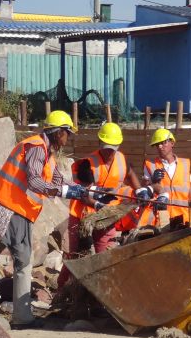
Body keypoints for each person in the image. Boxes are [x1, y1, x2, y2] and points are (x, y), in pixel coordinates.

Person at [0, 110, 83, 328]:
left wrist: (83, 191)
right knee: (24, 262)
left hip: (0, 206)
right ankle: (22, 317)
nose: (67, 140)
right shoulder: (37, 148)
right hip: (14, 210)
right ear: (58, 133)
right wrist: (64, 192)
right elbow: (36, 182)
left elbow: (58, 180)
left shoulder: (46, 153)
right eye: (67, 134)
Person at [58, 121, 146, 291]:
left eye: (112, 148)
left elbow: (131, 175)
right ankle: (62, 289)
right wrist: (97, 203)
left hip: (107, 216)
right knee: (75, 254)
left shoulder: (122, 160)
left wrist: (141, 190)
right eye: (106, 147)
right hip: (82, 215)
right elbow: (82, 193)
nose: (108, 152)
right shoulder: (87, 164)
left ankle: (104, 291)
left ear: (118, 145)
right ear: (100, 143)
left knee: (105, 253)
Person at [141, 128, 191, 228]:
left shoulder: (185, 164)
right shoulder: (150, 165)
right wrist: (153, 182)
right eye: (157, 144)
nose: (160, 147)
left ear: (172, 143)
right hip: (161, 219)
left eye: (163, 143)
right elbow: (144, 192)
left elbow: (190, 192)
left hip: (184, 219)